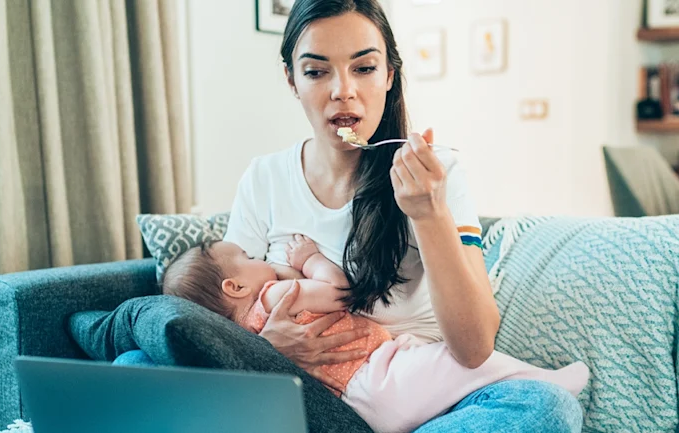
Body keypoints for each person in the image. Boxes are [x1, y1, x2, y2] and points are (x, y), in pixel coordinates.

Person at [217, 0, 585, 431]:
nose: (342, 90)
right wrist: (266, 349)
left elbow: (474, 349)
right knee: (137, 355)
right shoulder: (265, 178)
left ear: (390, 75)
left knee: (545, 407)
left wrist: (427, 214)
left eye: (364, 68)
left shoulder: (439, 173)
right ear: (291, 80)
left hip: (419, 405)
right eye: (316, 71)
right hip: (309, 401)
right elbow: (222, 309)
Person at [161, 238, 589, 433]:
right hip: (377, 378)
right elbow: (338, 291)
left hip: (362, 400)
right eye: (249, 257)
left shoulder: (245, 325)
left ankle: (536, 389)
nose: (260, 258)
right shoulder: (276, 295)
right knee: (456, 361)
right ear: (235, 287)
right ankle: (544, 378)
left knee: (447, 365)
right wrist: (310, 260)